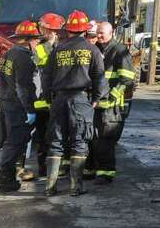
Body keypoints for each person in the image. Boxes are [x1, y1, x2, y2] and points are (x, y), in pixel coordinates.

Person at [41, 10, 105, 196]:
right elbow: (99, 77)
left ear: (67, 30)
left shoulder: (57, 50)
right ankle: (76, 187)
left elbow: (46, 76)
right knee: (79, 141)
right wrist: (96, 99)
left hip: (59, 99)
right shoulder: (92, 50)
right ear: (85, 30)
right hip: (80, 100)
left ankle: (50, 187)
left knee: (56, 142)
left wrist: (49, 98)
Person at [0, 21, 41, 192]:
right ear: (28, 40)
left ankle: (4, 176)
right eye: (36, 40)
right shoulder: (24, 58)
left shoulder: (7, 54)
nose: (37, 44)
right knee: (15, 142)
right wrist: (29, 109)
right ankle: (5, 179)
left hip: (5, 103)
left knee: (7, 141)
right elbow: (23, 87)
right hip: (17, 106)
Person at [20, 12, 64, 181]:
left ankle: (59, 167)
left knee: (59, 136)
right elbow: (40, 65)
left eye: (44, 28)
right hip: (42, 102)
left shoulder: (63, 46)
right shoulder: (40, 47)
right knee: (43, 137)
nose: (41, 31)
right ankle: (44, 168)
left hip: (58, 99)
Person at [89, 21, 135, 183]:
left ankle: (105, 173)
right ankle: (91, 169)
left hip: (112, 106)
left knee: (106, 140)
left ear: (111, 33)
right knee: (93, 138)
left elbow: (127, 79)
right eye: (97, 32)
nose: (99, 35)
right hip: (95, 104)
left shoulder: (119, 50)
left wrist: (112, 97)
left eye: (102, 32)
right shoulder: (95, 49)